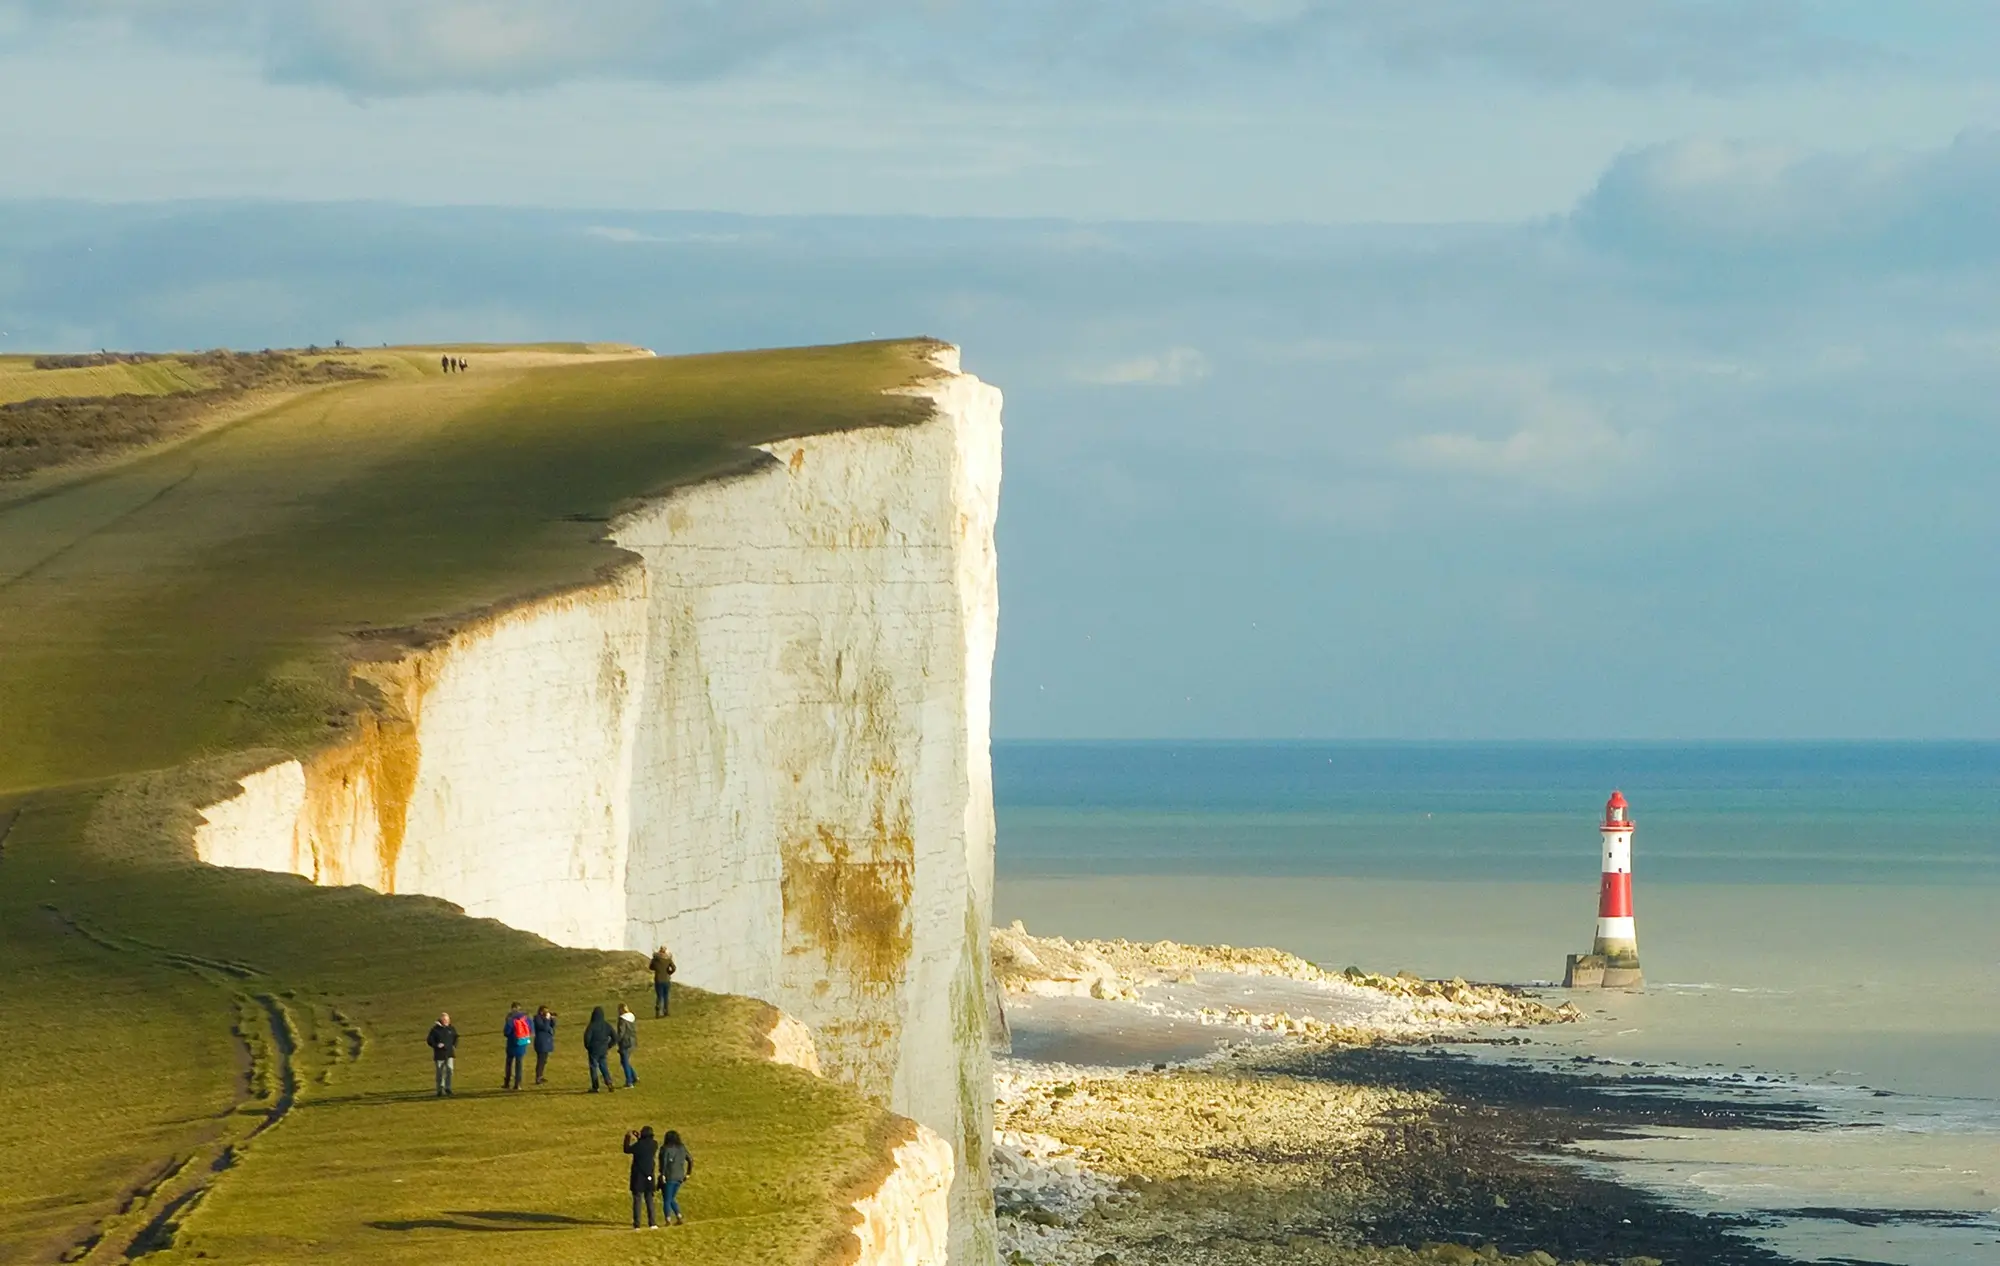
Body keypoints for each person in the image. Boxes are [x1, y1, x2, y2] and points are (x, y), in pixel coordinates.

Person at [622, 1126, 662, 1230]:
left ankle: (637, 1224)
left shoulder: (638, 1146)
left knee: (637, 1200)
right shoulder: (654, 1144)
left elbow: (627, 1150)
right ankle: (652, 1223)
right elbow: (645, 1144)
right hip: (649, 1175)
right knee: (649, 1199)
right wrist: (639, 1138)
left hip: (638, 1176)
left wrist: (627, 1137)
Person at [658, 1128, 693, 1225]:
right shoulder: (682, 1148)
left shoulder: (665, 1149)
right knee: (671, 1198)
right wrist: (688, 1173)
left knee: (667, 1199)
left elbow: (664, 1162)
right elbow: (690, 1160)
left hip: (669, 1176)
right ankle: (678, 1216)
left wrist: (663, 1174)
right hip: (679, 1177)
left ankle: (668, 1219)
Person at [583, 1005, 617, 1092]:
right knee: (603, 1066)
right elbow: (615, 1037)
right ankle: (609, 1082)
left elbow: (587, 1038)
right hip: (603, 1049)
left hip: (593, 1050)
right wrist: (608, 1045)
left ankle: (595, 1087)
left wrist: (588, 1047)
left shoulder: (592, 1026)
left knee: (593, 1067)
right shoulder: (606, 1025)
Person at [427, 1011, 458, 1097]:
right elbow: (429, 1040)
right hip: (439, 1055)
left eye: (448, 1020)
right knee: (440, 1072)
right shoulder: (435, 1030)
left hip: (449, 1053)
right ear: (441, 1020)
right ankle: (439, 1089)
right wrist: (436, 1045)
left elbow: (455, 1037)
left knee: (450, 1070)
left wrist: (454, 1045)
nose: (447, 1021)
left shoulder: (451, 1029)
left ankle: (448, 1088)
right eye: (445, 1020)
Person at [502, 1002, 531, 1090]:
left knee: (509, 1063)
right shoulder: (526, 1018)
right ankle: (518, 1084)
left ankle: (507, 1082)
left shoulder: (511, 1019)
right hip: (522, 1043)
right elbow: (531, 1029)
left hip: (512, 1043)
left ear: (512, 1008)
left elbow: (506, 1032)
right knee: (519, 1064)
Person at [531, 1005, 558, 1085]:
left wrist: (552, 1019)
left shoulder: (545, 1018)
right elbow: (544, 1027)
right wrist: (546, 1019)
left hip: (546, 1042)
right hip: (541, 1042)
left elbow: (552, 1026)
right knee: (541, 1060)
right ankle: (538, 1077)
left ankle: (541, 1076)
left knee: (544, 1061)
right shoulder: (537, 1018)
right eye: (545, 1011)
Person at [615, 1002, 640, 1088]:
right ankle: (634, 1076)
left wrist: (616, 1040)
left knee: (624, 1062)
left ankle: (629, 1081)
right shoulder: (631, 1018)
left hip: (625, 1043)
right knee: (625, 1061)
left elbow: (621, 1033)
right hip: (632, 1041)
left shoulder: (622, 1020)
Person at [649, 945, 676, 1017]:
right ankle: (666, 1011)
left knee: (659, 996)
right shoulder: (668, 959)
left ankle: (658, 1013)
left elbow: (651, 967)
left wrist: (657, 969)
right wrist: (669, 972)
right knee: (666, 996)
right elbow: (674, 968)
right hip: (666, 980)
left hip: (658, 979)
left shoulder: (655, 959)